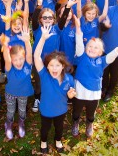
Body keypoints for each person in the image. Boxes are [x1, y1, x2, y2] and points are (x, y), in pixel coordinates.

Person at [72, 15, 118, 138]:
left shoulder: (103, 61)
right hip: (79, 91)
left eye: (96, 48)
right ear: (86, 48)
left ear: (100, 52)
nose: (92, 49)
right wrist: (78, 27)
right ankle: (75, 122)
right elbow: (79, 42)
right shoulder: (81, 56)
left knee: (91, 113)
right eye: (90, 47)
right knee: (76, 110)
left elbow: (115, 52)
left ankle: (89, 124)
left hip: (94, 92)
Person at [34, 25, 76, 153]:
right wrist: (42, 38)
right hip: (46, 110)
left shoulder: (69, 79)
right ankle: (43, 142)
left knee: (59, 128)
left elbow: (70, 96)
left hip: (61, 110)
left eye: (57, 65)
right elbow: (36, 57)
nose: (54, 68)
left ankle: (58, 140)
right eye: (51, 65)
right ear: (47, 67)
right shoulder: (44, 75)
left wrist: (71, 94)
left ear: (63, 66)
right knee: (45, 129)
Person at [0, 27, 33, 140]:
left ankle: (21, 123)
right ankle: (8, 125)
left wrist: (27, 41)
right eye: (15, 60)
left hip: (24, 93)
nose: (18, 62)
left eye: (20, 59)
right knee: (11, 110)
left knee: (22, 110)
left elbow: (29, 54)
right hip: (10, 93)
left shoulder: (27, 65)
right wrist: (5, 45)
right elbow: (7, 59)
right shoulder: (9, 68)